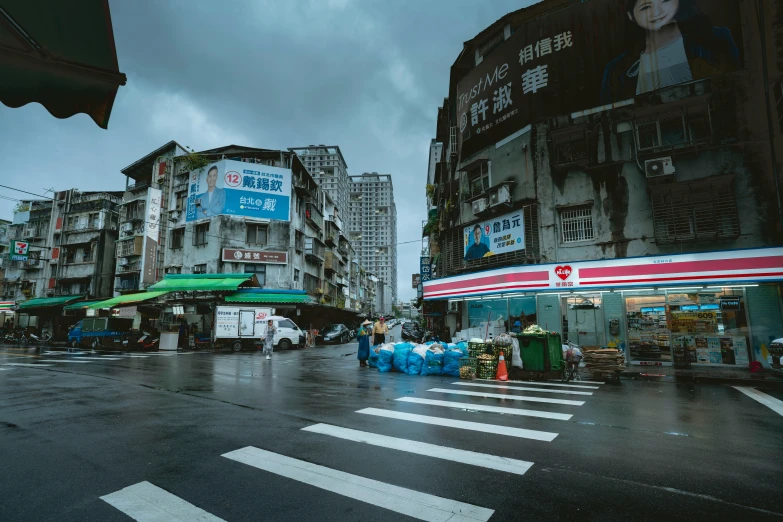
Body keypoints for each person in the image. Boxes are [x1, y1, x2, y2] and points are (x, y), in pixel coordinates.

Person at [601, 0, 739, 105]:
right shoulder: (615, 71)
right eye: (646, 7)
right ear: (631, 15)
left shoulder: (717, 39)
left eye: (665, 0)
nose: (657, 12)